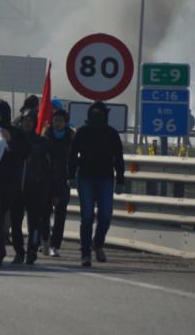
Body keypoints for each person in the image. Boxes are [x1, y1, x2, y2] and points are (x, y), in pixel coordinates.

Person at [68, 101, 125, 267]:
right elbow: (72, 154)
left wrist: (120, 179)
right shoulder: (82, 132)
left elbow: (119, 158)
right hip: (85, 177)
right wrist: (70, 175)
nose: (97, 115)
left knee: (106, 216)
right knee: (86, 217)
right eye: (94, 112)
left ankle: (98, 244)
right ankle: (85, 253)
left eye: (100, 113)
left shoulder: (112, 134)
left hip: (106, 178)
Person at [0, 100, 29, 266]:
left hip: (10, 182)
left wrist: (9, 142)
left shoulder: (16, 132)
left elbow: (24, 153)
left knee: (0, 218)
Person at [10, 113, 50, 264]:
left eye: (30, 121)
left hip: (35, 188)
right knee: (15, 222)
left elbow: (42, 159)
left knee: (34, 222)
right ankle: (19, 250)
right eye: (25, 121)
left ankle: (32, 249)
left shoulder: (42, 141)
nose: (27, 124)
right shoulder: (14, 140)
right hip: (16, 189)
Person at [42, 107, 74, 257]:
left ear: (66, 123)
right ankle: (45, 241)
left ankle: (56, 245)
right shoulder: (46, 136)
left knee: (60, 215)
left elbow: (75, 159)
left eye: (61, 121)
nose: (58, 123)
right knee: (44, 214)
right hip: (46, 180)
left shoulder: (71, 137)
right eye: (56, 120)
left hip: (63, 180)